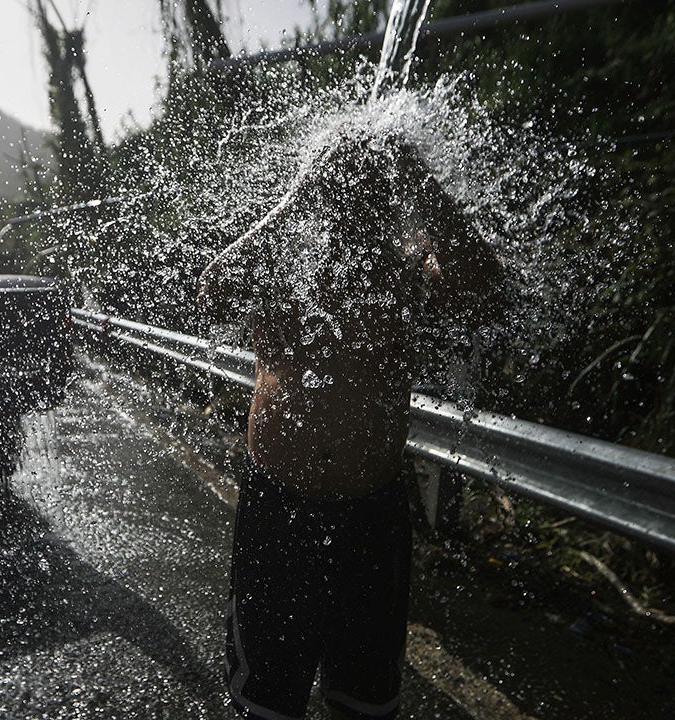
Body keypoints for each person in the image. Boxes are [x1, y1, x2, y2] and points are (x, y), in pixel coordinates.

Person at [198, 127, 499, 719]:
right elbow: (216, 291)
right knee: (266, 705)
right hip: (279, 515)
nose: (355, 195)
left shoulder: (408, 271)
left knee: (365, 703)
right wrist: (297, 195)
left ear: (390, 195)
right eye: (340, 182)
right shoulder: (286, 260)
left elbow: (484, 292)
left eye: (370, 184)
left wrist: (426, 188)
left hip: (372, 521)